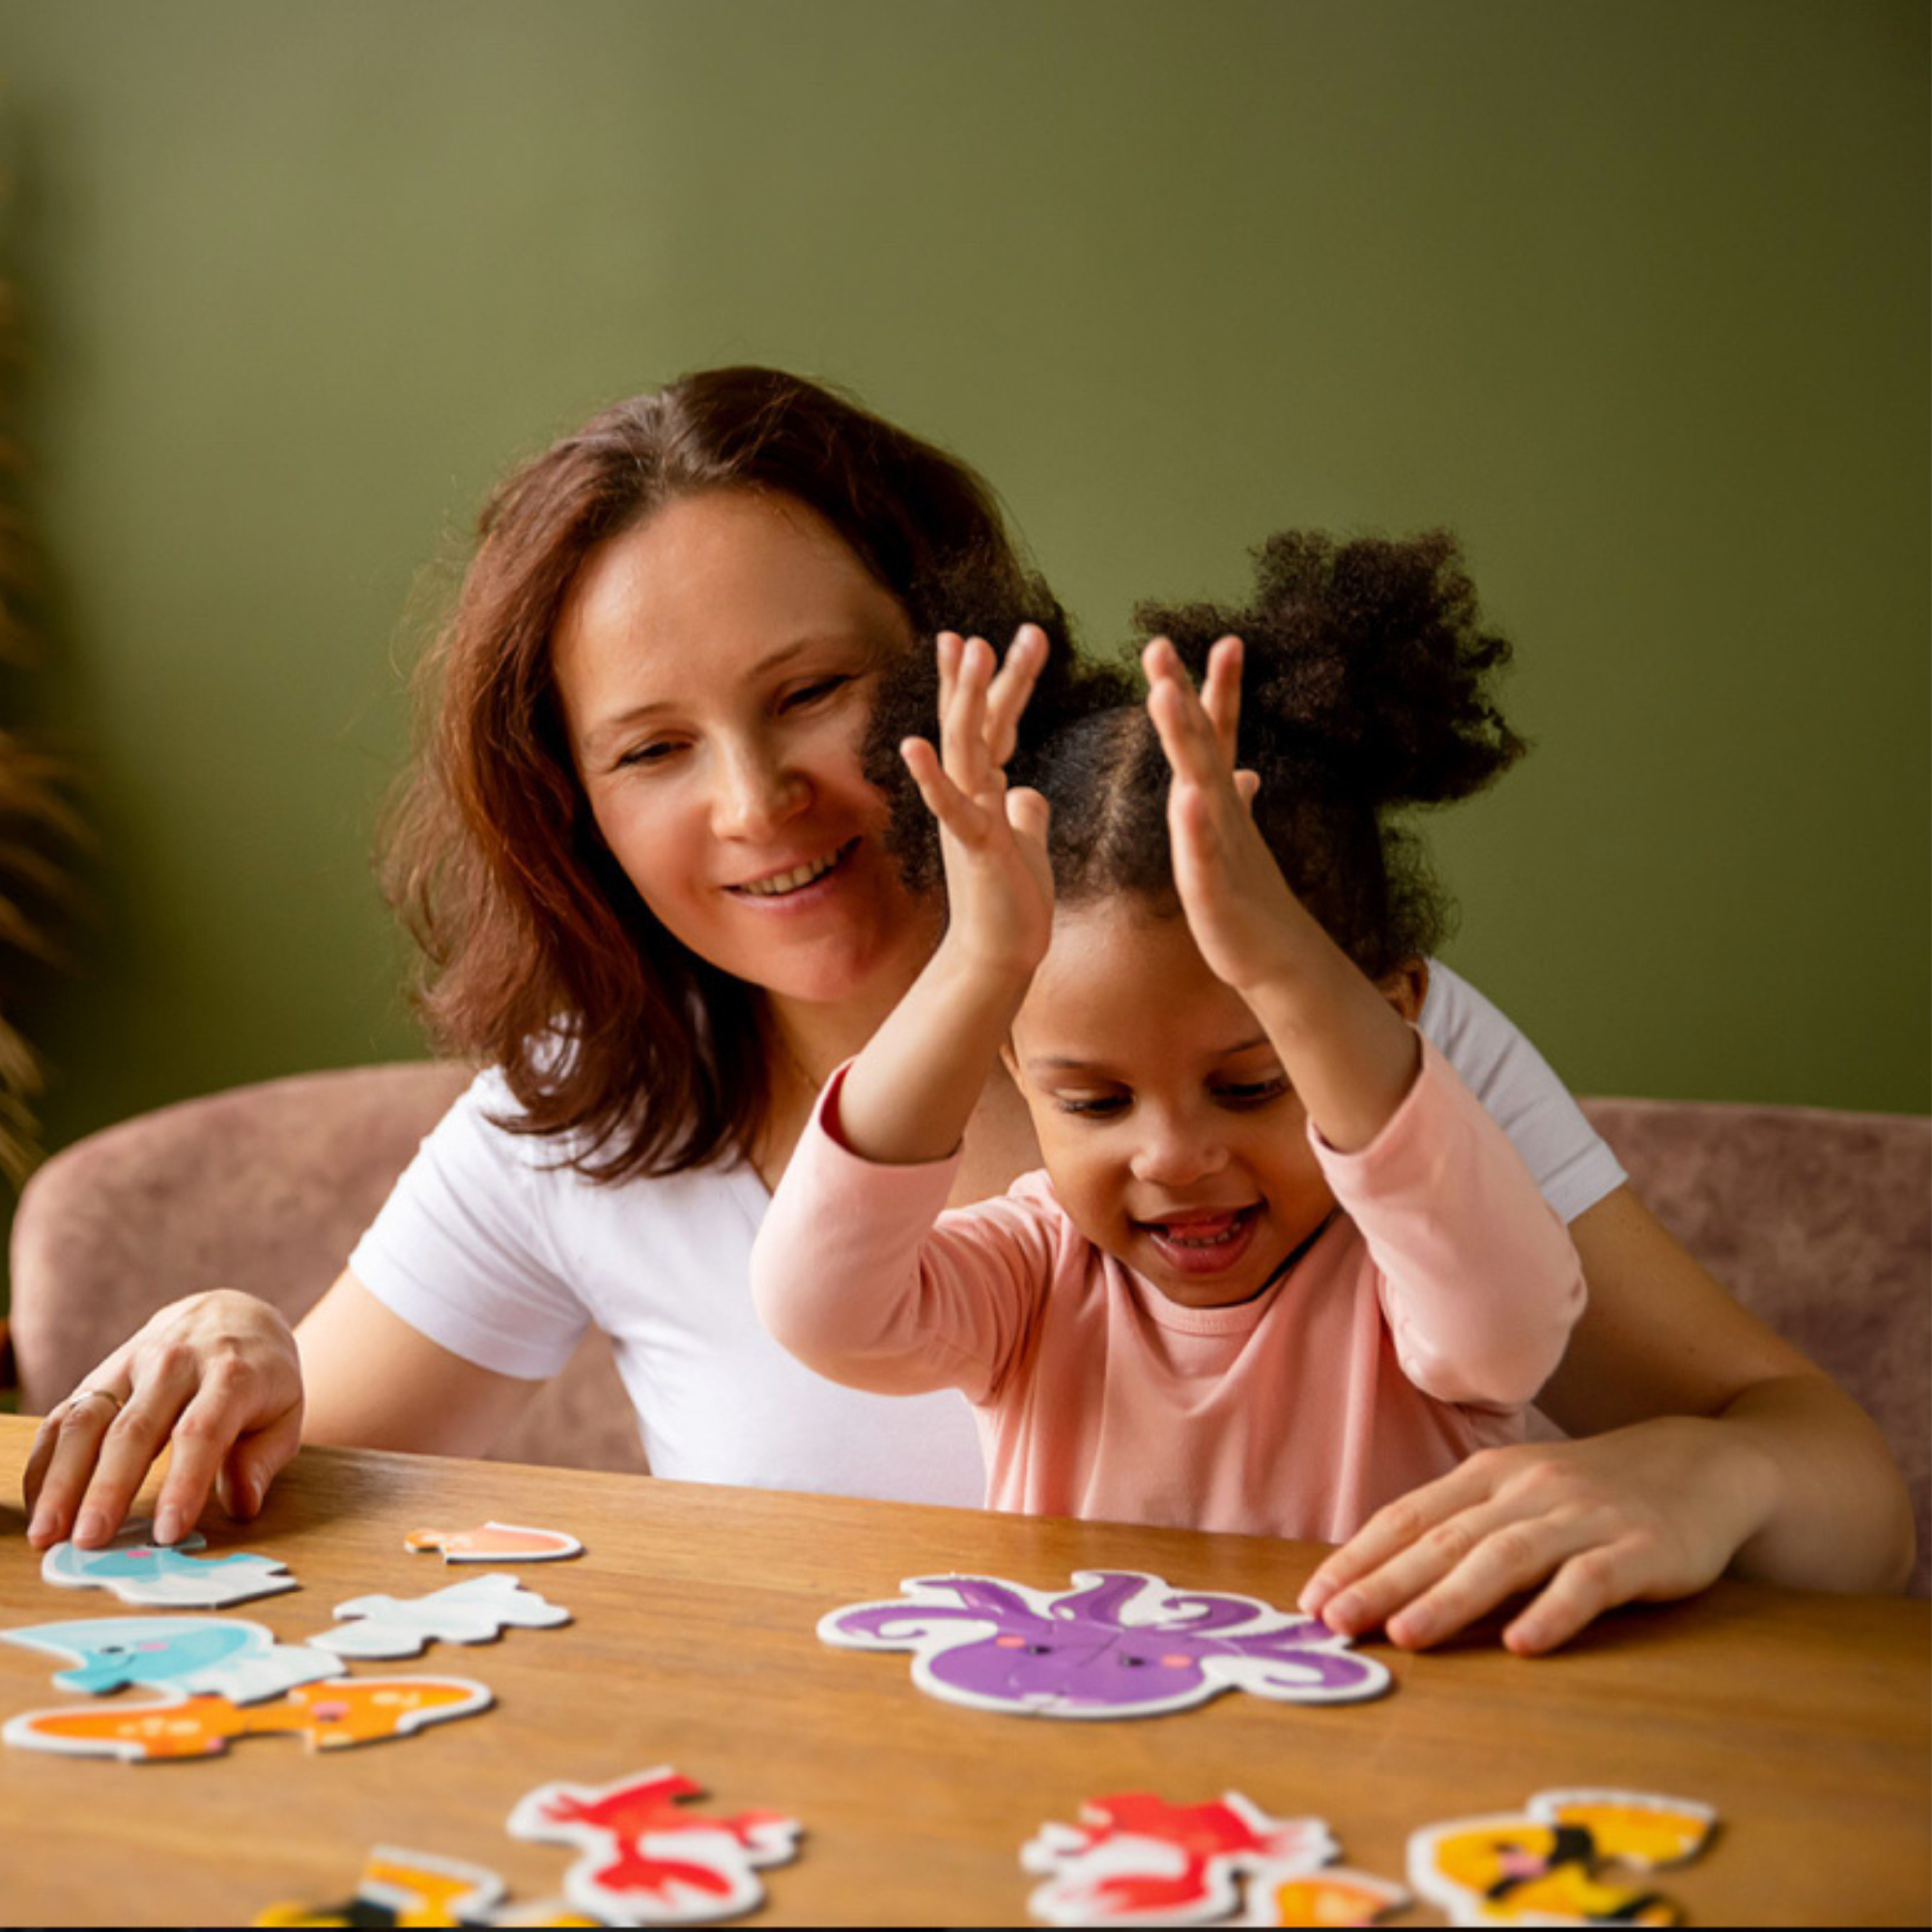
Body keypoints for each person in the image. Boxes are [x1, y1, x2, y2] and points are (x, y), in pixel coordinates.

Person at [21, 368, 1912, 1657]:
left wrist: (1705, 1466)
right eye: (654, 748)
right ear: (575, 806)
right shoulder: (584, 1109)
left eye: (814, 693)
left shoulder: (1312, 1021)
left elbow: (1845, 1502)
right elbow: (261, 1495)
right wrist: (224, 1338)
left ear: (959, 666)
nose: (757, 807)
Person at [750, 567, 1591, 1543]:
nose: (1174, 1155)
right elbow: (821, 1308)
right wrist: (974, 970)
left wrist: (1288, 971)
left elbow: (1513, 1324)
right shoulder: (1036, 1274)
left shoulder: (1418, 1276)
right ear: (1020, 1075)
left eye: (1248, 1084)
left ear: (1388, 1012)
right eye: (1096, 1103)